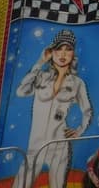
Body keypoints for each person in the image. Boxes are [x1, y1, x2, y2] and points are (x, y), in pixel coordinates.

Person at [13, 29, 94, 188]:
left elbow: (88, 111)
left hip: (59, 144)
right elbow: (21, 91)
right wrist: (40, 62)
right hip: (35, 144)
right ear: (52, 52)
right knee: (21, 185)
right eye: (59, 49)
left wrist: (79, 130)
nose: (63, 54)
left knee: (57, 185)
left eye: (68, 49)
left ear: (72, 54)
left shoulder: (77, 83)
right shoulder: (41, 76)